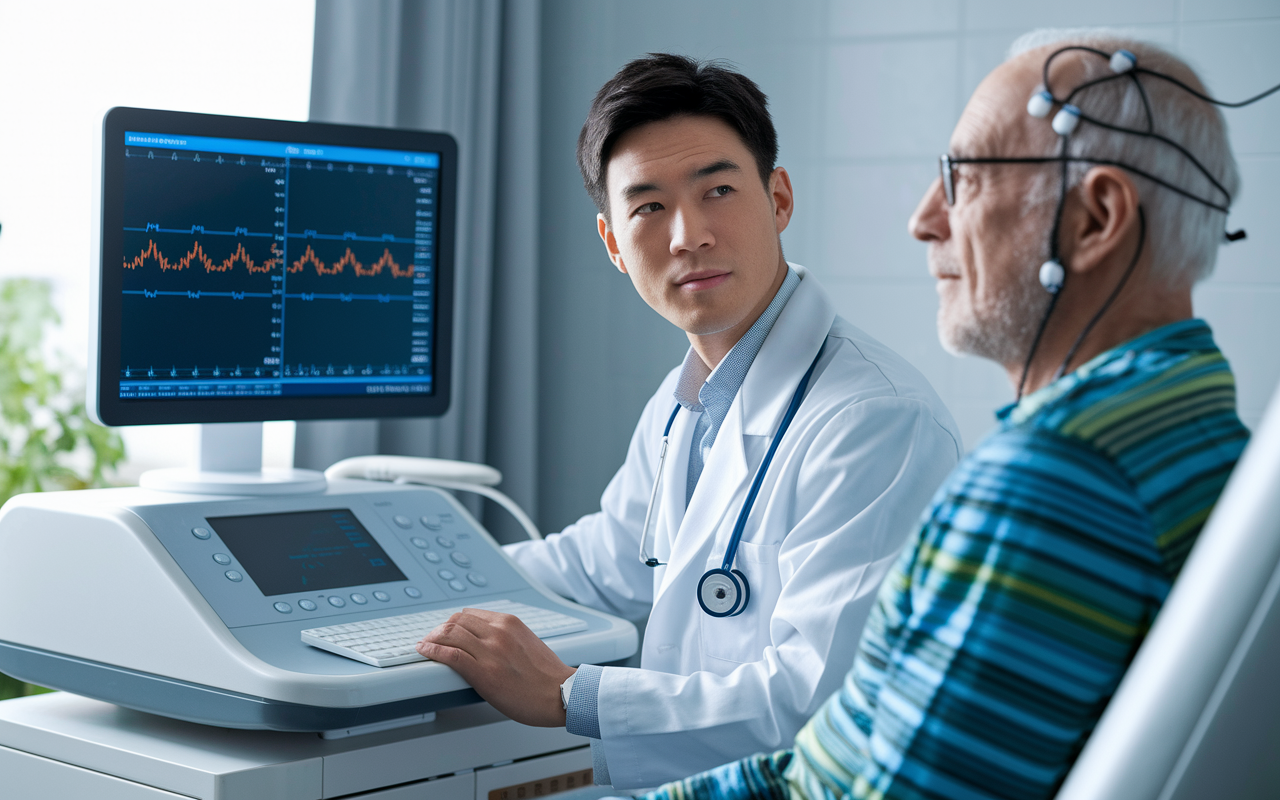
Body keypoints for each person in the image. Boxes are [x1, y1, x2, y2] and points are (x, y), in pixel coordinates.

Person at [626, 30, 1252, 800]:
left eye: (966, 179)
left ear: (1096, 221)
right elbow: (834, 758)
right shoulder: (1192, 434)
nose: (925, 220)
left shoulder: (1057, 480)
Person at [416, 54, 961, 788]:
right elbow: (608, 558)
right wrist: (424, 584)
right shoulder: (689, 402)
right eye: (647, 207)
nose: (687, 235)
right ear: (613, 244)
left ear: (779, 199)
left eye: (718, 190)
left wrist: (568, 695)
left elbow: (821, 700)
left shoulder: (874, 420)